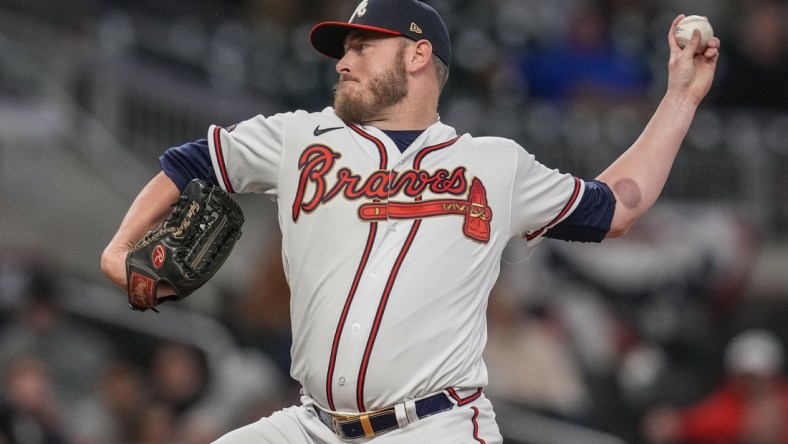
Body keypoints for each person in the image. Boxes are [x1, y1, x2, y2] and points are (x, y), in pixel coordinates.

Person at [100, 0, 720, 442]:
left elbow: (615, 207)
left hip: (436, 426)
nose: (344, 61)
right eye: (344, 49)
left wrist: (681, 98)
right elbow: (190, 162)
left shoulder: (492, 164)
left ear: (418, 54)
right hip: (312, 424)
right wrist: (119, 250)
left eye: (362, 46)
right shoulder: (297, 137)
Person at [641, 329, 788, 444]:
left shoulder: (781, 401)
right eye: (746, 378)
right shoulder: (726, 404)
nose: (753, 384)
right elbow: (683, 424)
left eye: (759, 377)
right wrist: (675, 424)